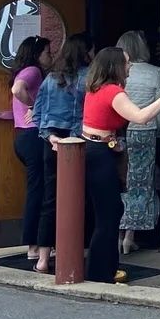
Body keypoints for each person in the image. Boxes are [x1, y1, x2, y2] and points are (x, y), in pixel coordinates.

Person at [80, 47, 160, 284]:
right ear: (116, 66)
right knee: (109, 214)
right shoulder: (113, 92)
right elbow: (140, 117)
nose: (130, 67)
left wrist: (112, 140)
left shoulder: (95, 88)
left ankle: (106, 267)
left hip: (96, 149)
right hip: (100, 155)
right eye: (127, 63)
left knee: (109, 211)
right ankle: (99, 272)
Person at [31, 33, 93, 275]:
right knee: (82, 198)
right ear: (86, 52)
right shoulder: (90, 78)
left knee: (50, 200)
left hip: (53, 142)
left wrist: (49, 136)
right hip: (79, 141)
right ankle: (74, 254)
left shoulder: (50, 78)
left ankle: (43, 260)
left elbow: (36, 114)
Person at [116, 30, 160, 255]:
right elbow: (159, 110)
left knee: (121, 181)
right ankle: (131, 235)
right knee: (141, 184)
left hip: (118, 131)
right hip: (145, 130)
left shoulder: (118, 72)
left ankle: (118, 233)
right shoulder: (155, 72)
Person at [9, 35, 51, 262]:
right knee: (38, 191)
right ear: (36, 54)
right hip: (33, 135)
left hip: (23, 136)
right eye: (47, 52)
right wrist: (34, 105)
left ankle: (34, 243)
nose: (50, 57)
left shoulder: (27, 70)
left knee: (37, 189)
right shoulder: (33, 71)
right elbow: (18, 89)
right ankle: (33, 245)